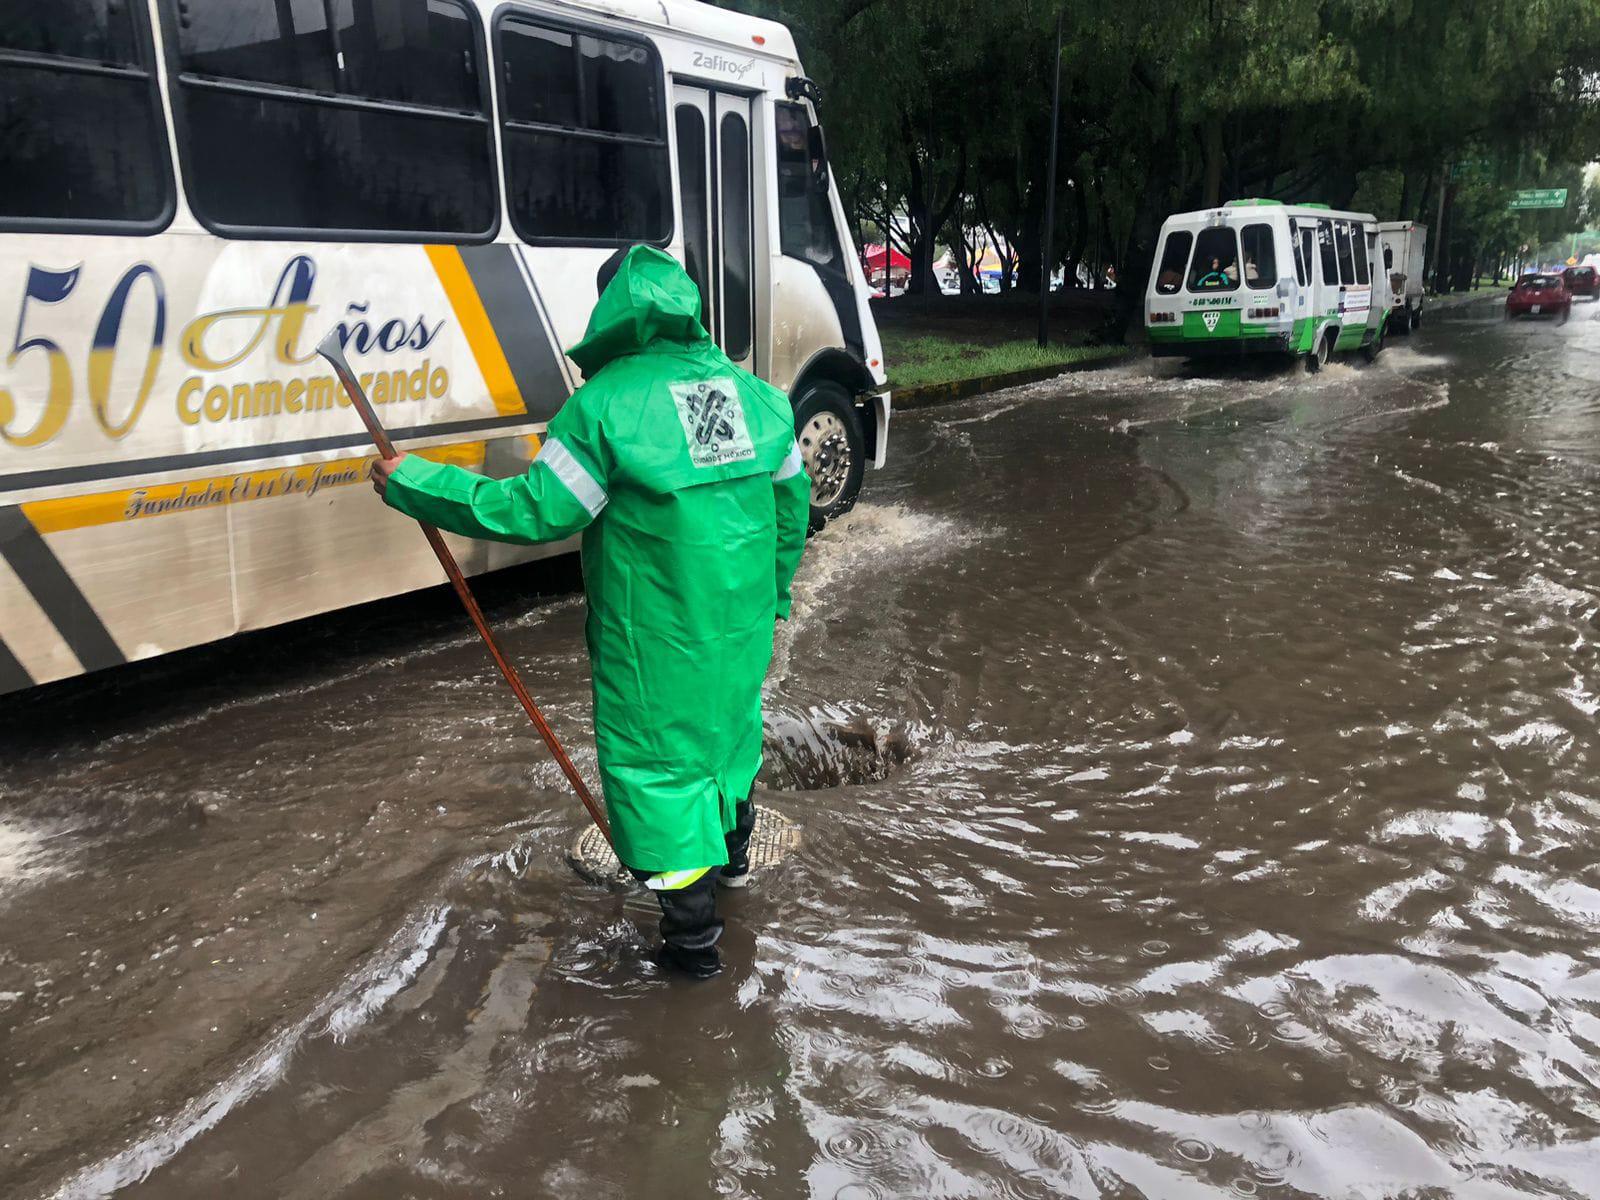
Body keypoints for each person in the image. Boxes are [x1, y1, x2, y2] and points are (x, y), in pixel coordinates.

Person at [370, 245, 811, 978]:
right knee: (728, 744)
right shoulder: (758, 398)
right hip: (740, 629)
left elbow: (538, 510)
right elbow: (791, 511)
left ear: (609, 312)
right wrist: (776, 593)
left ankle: (693, 954)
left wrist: (415, 483)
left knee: (658, 771)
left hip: (658, 642)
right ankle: (733, 876)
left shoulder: (602, 409)